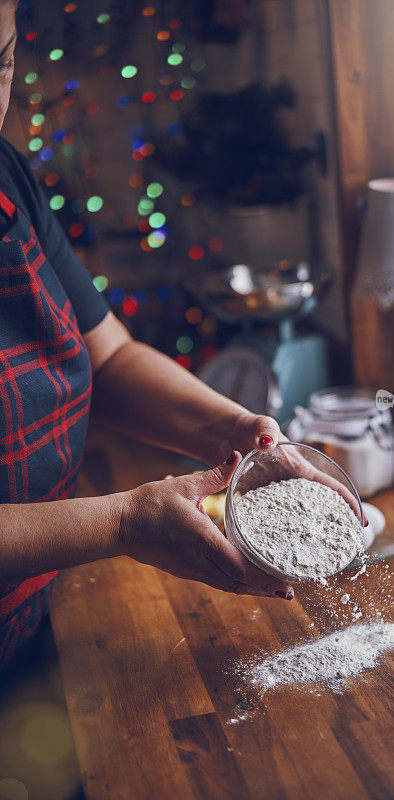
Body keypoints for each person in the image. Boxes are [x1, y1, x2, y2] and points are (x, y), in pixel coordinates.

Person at [0, 1, 363, 668]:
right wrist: (122, 522)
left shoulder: (7, 178)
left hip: (32, 607)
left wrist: (235, 433)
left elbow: (106, 358)